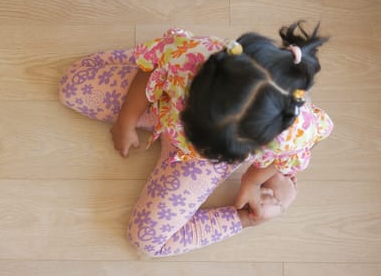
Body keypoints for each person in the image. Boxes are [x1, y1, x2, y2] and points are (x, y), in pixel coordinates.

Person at [59, 22, 333, 257]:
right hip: (162, 104)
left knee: (147, 241)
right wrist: (126, 121)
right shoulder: (193, 56)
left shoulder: (295, 129)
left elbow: (294, 151)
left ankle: (246, 220)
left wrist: (253, 182)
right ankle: (158, 54)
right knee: (72, 86)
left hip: (196, 162)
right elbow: (150, 71)